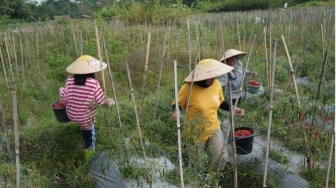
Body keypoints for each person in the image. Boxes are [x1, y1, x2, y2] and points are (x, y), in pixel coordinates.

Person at [171, 59, 245, 173]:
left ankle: (212, 177)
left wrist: (234, 109)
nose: (214, 79)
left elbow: (220, 102)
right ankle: (198, 181)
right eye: (211, 77)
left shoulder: (216, 84)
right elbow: (177, 103)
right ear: (202, 77)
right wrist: (176, 111)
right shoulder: (187, 88)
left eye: (215, 76)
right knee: (197, 164)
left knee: (222, 158)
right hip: (195, 132)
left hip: (213, 128)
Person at [59, 55, 115, 152]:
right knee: (89, 133)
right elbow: (102, 102)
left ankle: (81, 128)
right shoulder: (93, 83)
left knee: (82, 121)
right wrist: (111, 102)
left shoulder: (69, 80)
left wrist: (61, 90)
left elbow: (65, 99)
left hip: (71, 115)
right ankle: (90, 151)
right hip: (86, 119)